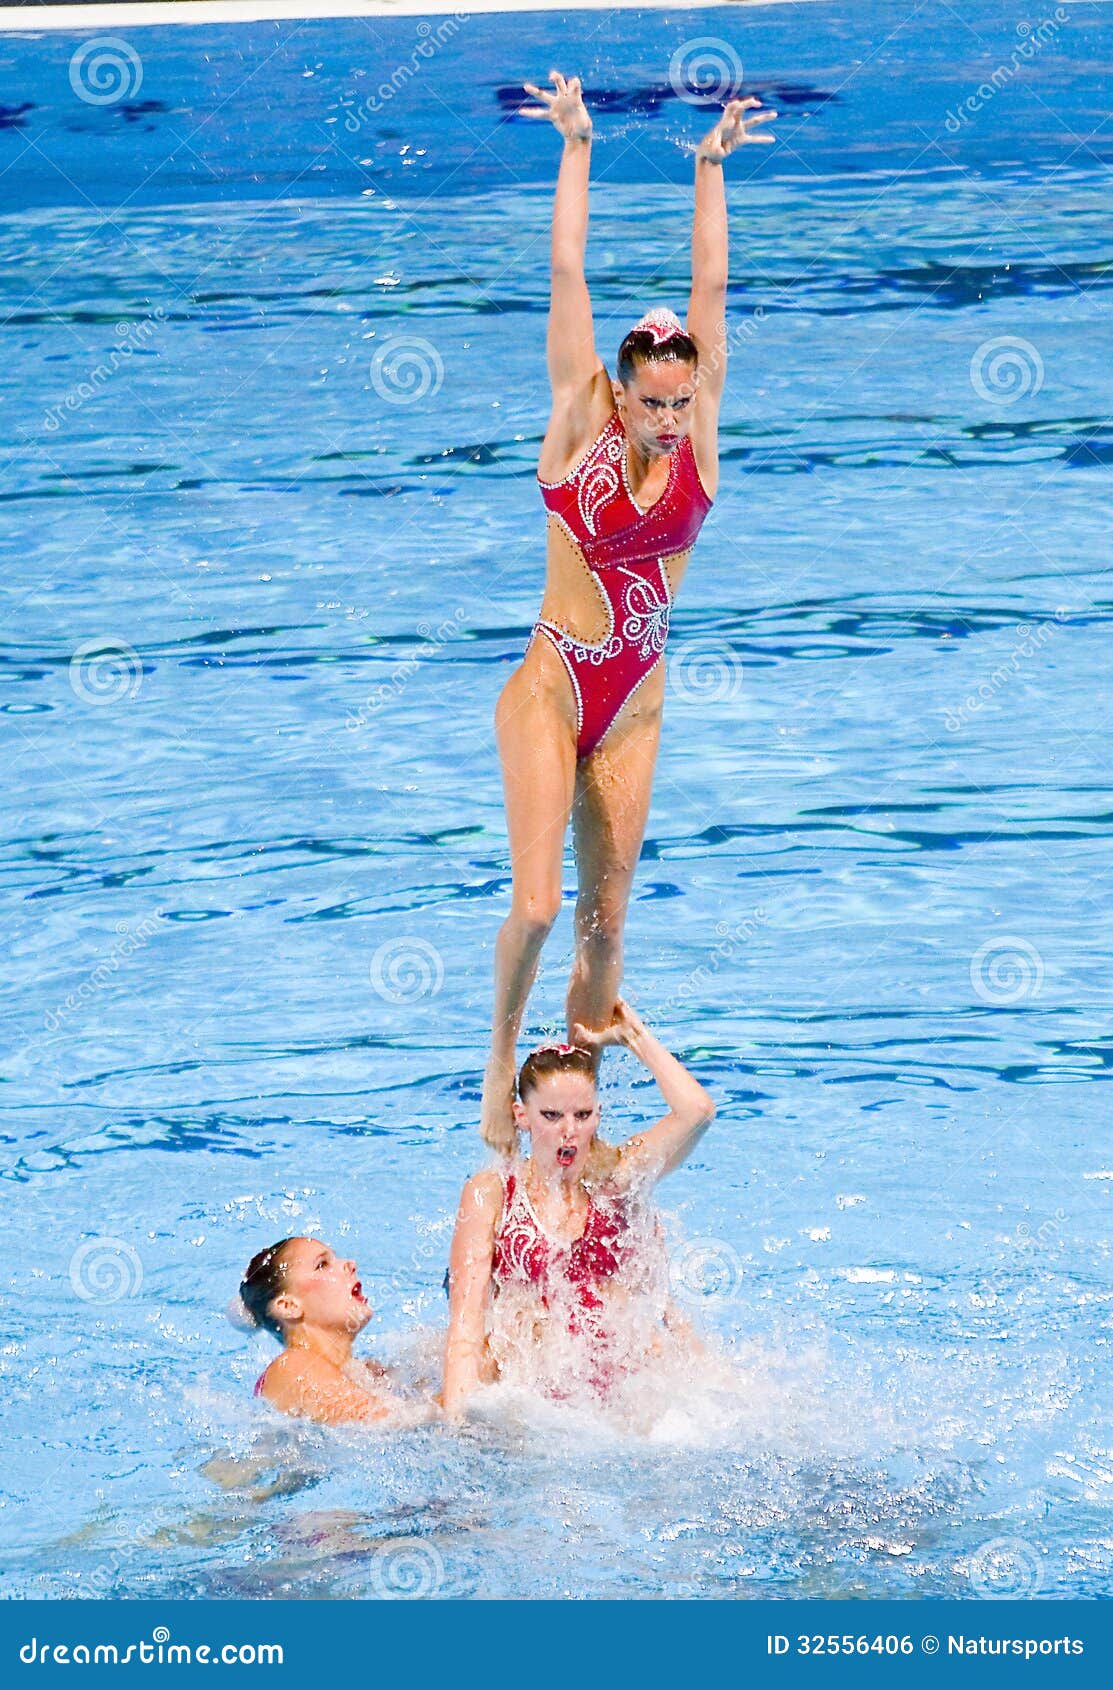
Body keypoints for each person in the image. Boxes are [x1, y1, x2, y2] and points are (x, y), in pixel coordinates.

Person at [480, 70, 776, 1146]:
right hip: (554, 682)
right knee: (543, 905)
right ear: (620, 388)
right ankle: (497, 1067)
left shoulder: (697, 433)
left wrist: (709, 169)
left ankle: (574, 1128)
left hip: (637, 701)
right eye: (650, 401)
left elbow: (711, 288)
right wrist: (577, 146)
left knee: (605, 934)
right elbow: (567, 270)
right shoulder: (578, 424)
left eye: (679, 401)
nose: (665, 418)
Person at [444, 999, 716, 1417]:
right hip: (534, 1405)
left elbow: (697, 1112)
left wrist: (634, 1036)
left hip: (627, 1401)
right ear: (522, 1116)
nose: (569, 1131)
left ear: (597, 1115)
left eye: (583, 1114)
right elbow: (466, 1324)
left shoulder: (618, 1182)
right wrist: (456, 1423)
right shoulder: (493, 1193)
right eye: (551, 1115)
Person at [237, 1236, 424, 1426]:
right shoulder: (292, 1367)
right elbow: (389, 1423)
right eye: (322, 1264)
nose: (351, 1264)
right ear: (288, 1306)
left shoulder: (365, 1372)